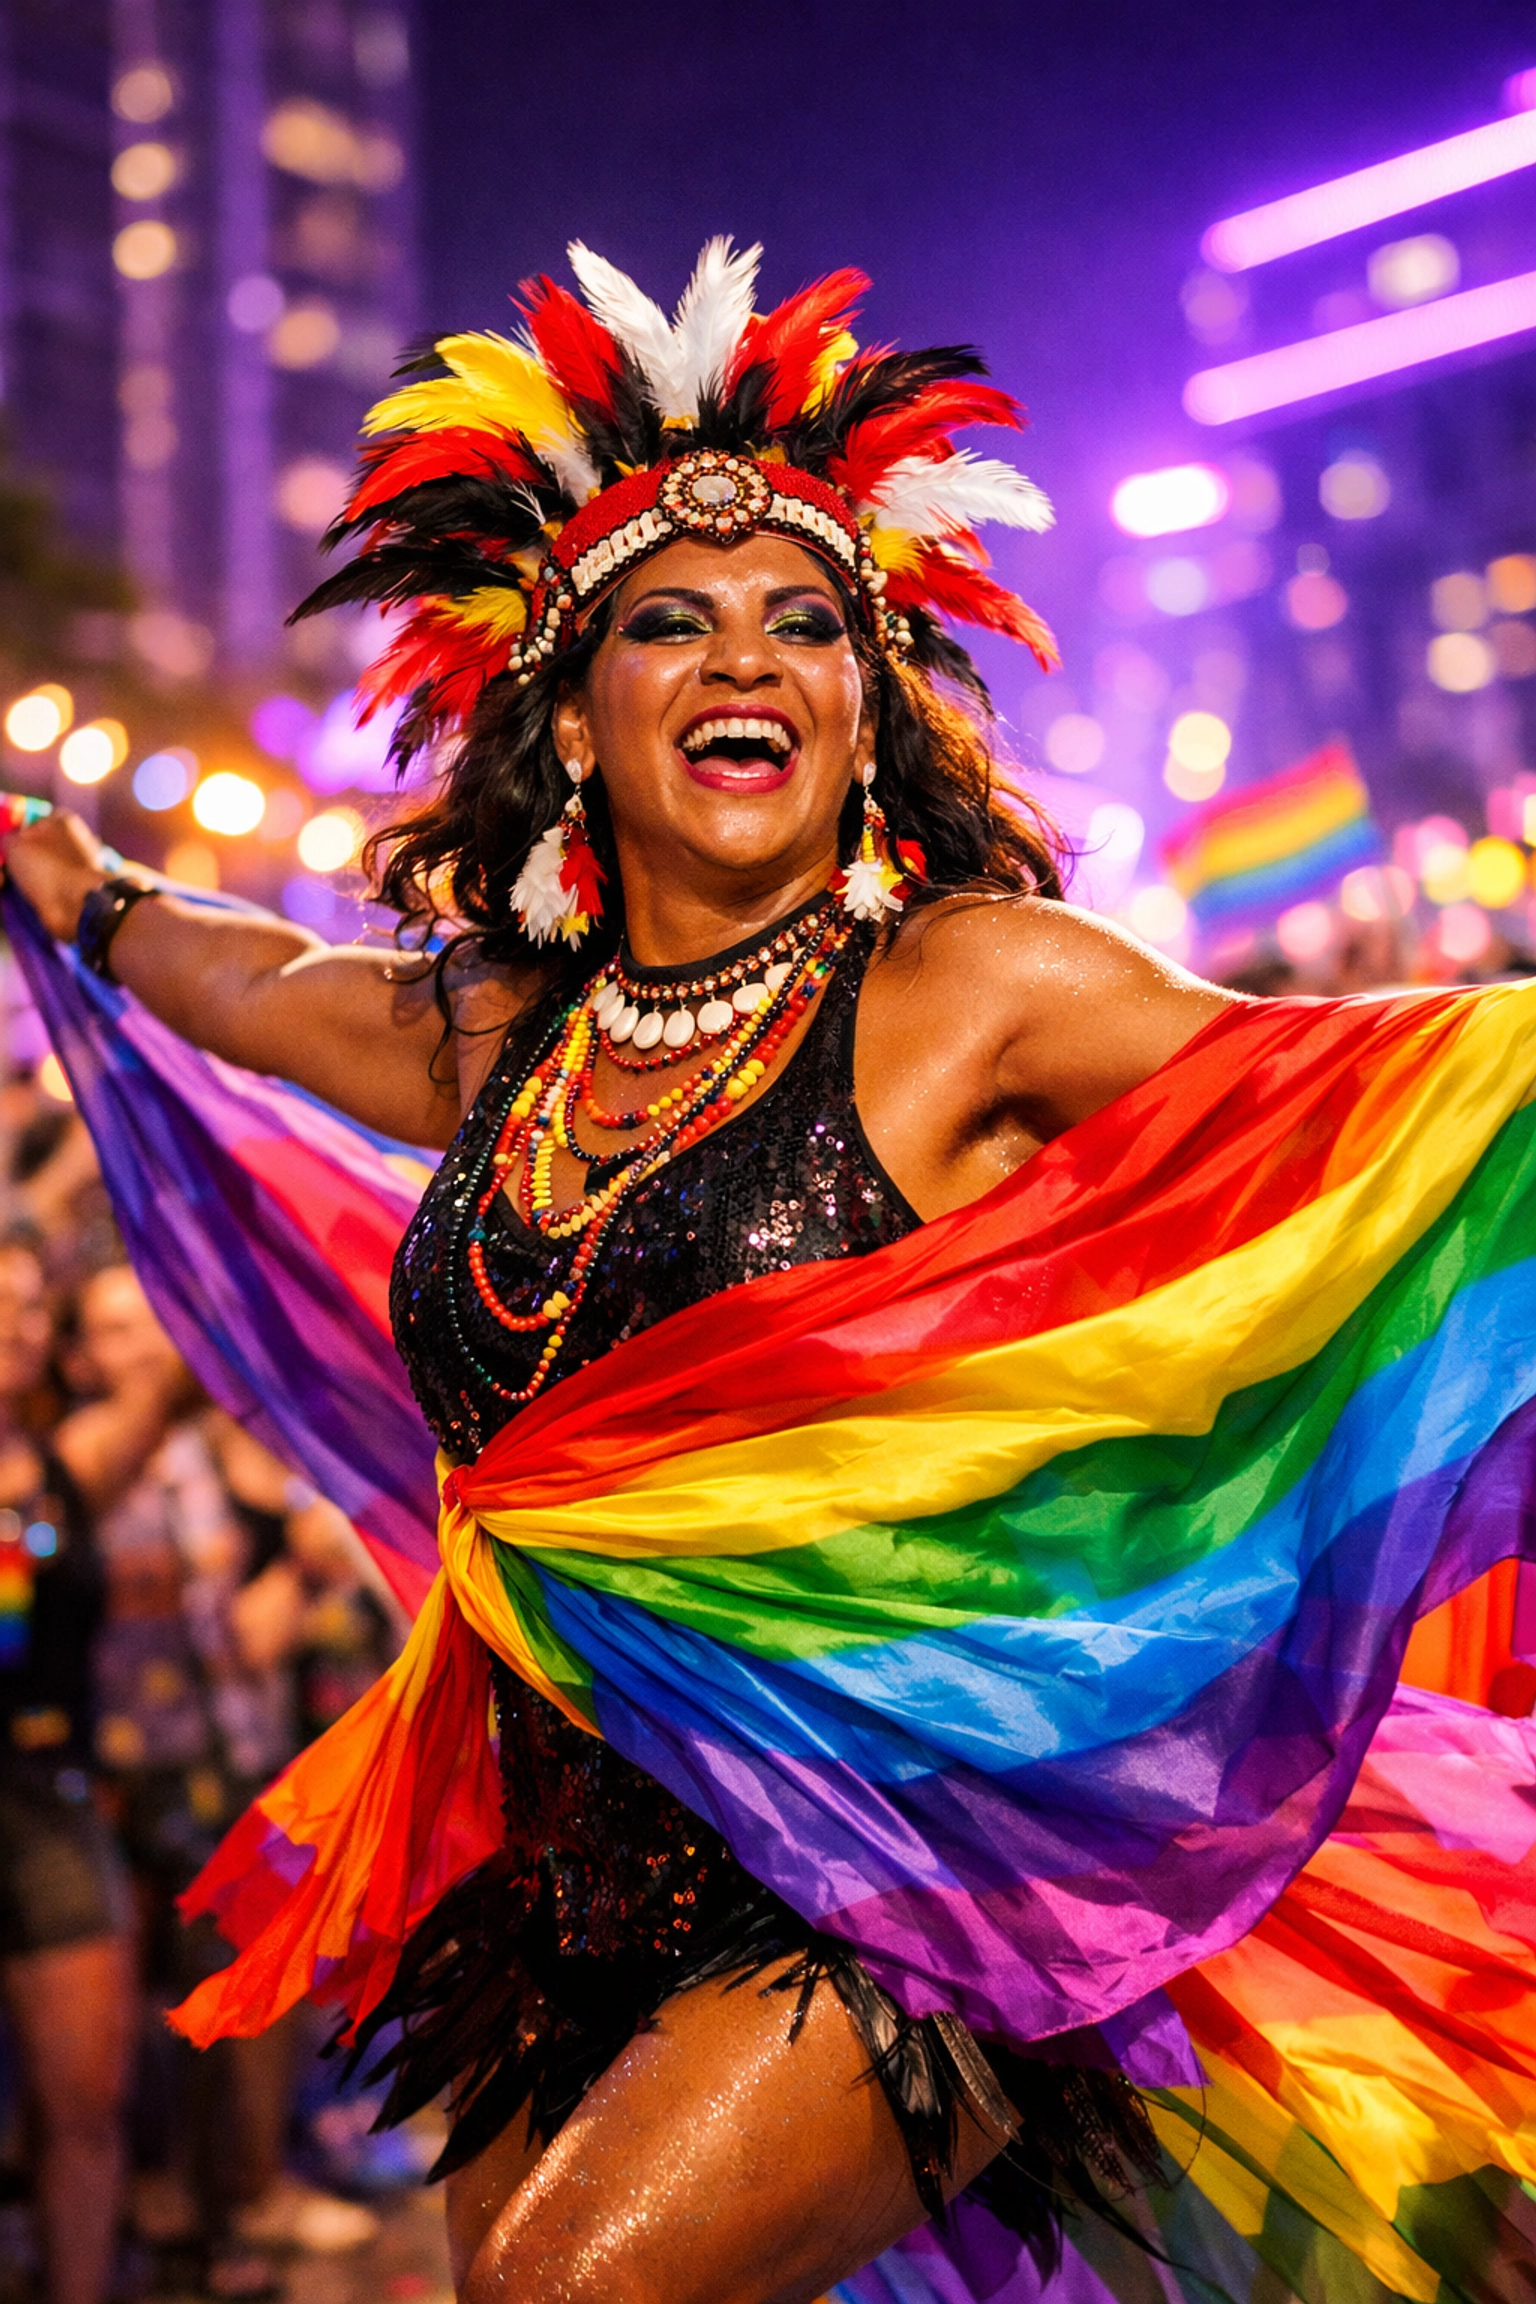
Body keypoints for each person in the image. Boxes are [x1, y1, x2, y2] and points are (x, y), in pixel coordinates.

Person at [4, 241, 1535, 2304]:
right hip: (560, 1869)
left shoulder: (973, 991)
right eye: (673, 623)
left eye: (807, 622)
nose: (751, 662)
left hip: (919, 1857)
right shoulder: (497, 1042)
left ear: (866, 705)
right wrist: (77, 883)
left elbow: (1410, 1098)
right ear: (566, 719)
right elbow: (258, 978)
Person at [0, 1235, 186, 2304]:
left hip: (51, 1805)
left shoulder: (76, 1463)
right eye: (3, 1300)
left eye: (35, 1307)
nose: (21, 1321)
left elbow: (190, 1361)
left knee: (84, 2103)